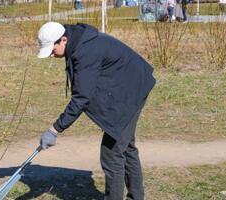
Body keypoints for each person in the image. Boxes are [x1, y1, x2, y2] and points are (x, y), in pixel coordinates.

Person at [36, 22, 155, 200]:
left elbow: (82, 97)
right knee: (126, 147)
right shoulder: (79, 43)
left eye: (52, 50)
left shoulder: (85, 52)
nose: (52, 55)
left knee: (111, 153)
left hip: (132, 90)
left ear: (64, 39)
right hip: (129, 86)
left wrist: (54, 129)